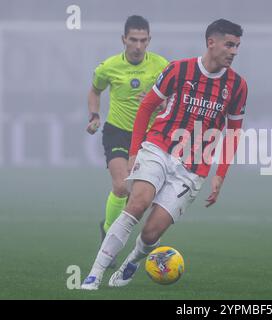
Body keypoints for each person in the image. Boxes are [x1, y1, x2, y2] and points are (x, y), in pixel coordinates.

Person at [81, 18, 248, 290]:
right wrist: (135, 151)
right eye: (229, 45)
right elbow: (147, 107)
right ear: (211, 43)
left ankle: (133, 261)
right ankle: (95, 273)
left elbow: (233, 132)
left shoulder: (238, 86)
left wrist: (221, 174)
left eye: (237, 46)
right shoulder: (179, 70)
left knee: (151, 232)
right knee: (137, 203)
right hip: (158, 147)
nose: (234, 51)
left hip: (193, 168)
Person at [86, 15, 169, 266]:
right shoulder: (108, 67)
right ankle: (109, 234)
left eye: (143, 40)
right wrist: (94, 115)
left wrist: (161, 101)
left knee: (145, 196)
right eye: (133, 39)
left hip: (150, 136)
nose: (138, 46)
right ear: (124, 39)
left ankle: (115, 229)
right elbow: (95, 90)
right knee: (122, 186)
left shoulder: (162, 66)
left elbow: (175, 100)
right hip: (118, 132)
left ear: (149, 40)